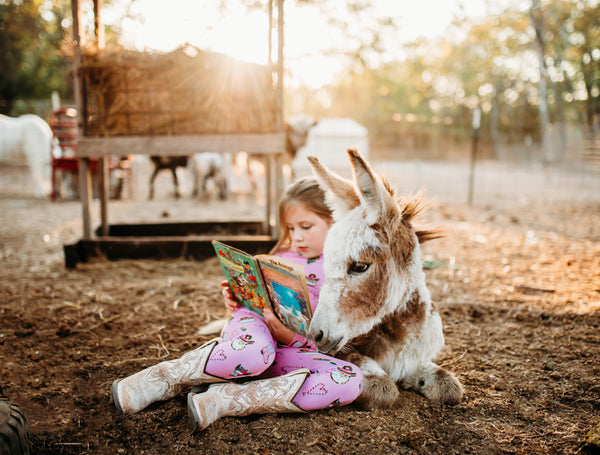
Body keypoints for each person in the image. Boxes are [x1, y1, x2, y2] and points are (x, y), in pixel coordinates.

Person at [111, 177, 363, 431]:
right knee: (253, 352)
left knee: (350, 380)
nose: (296, 237)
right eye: (291, 228)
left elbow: (334, 333)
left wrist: (291, 336)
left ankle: (226, 399)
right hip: (254, 334)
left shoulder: (348, 272)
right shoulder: (281, 255)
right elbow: (252, 301)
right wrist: (235, 297)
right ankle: (161, 380)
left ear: (336, 221)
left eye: (306, 226)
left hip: (293, 351)